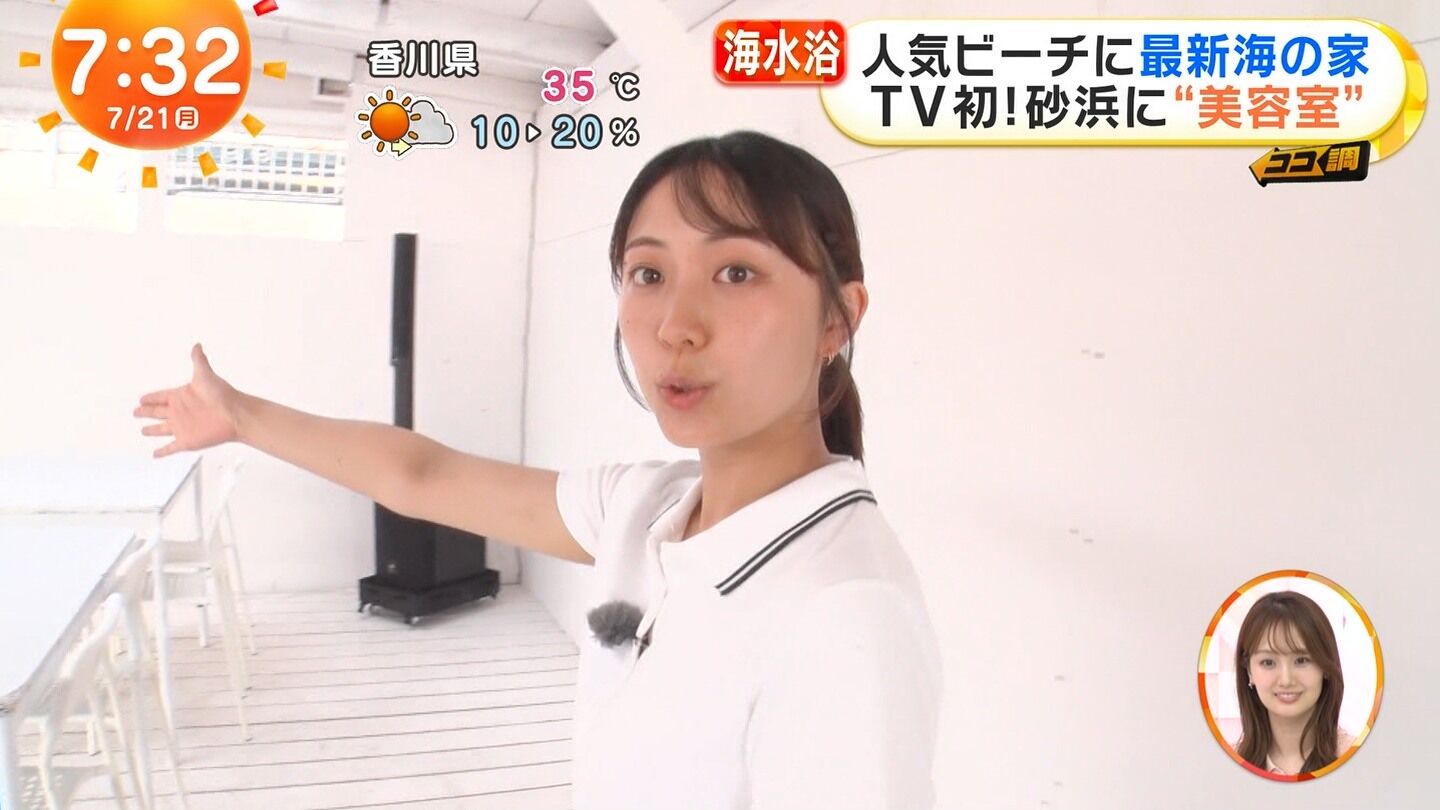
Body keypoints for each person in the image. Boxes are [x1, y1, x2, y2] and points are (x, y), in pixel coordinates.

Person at [134, 130, 943, 809]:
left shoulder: (844, 614)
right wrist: (241, 417)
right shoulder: (645, 508)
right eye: (649, 274)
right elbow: (422, 475)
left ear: (838, 319)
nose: (675, 325)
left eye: (736, 272)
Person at [1231, 590, 1355, 776]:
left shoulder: (1357, 758)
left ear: (1325, 667)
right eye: (1268, 662)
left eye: (1301, 660)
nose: (1286, 680)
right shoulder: (1227, 764)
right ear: (1249, 671)